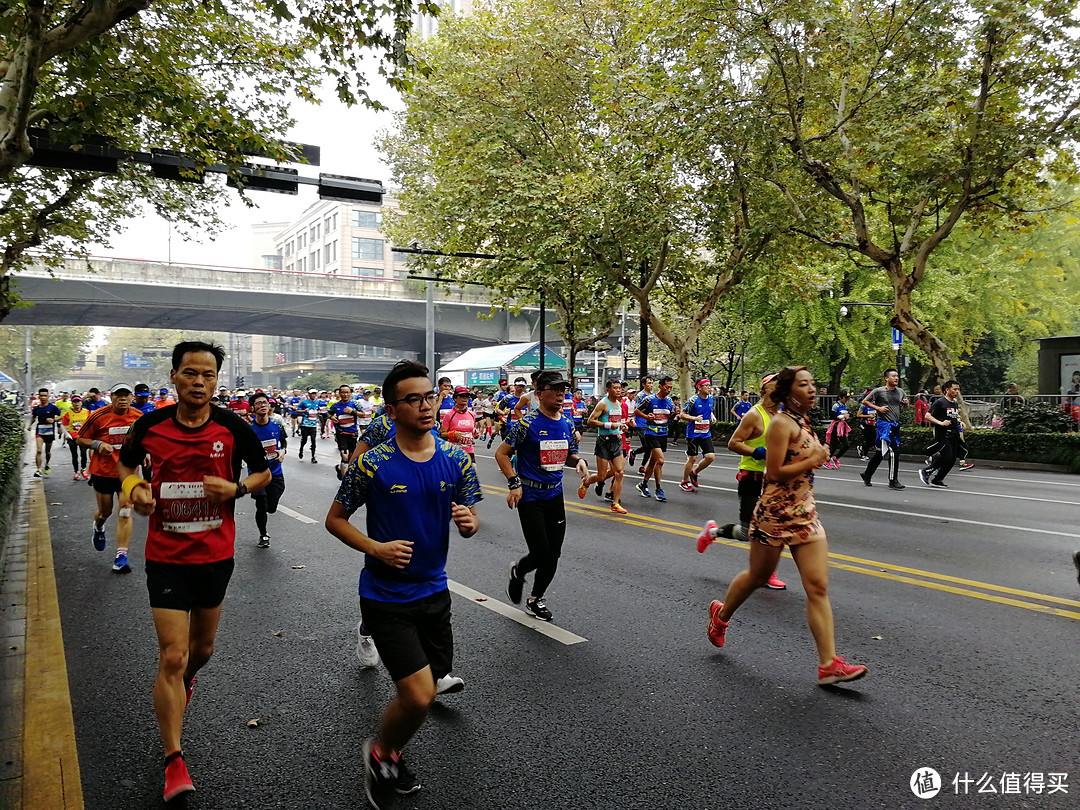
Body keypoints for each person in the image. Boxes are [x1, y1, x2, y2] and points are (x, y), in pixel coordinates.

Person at [117, 340, 271, 802]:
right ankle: (173, 760)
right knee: (173, 656)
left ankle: (184, 682)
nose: (199, 382)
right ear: (175, 376)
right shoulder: (150, 424)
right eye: (190, 373)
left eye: (207, 375)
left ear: (216, 381)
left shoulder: (233, 426)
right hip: (166, 556)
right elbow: (126, 462)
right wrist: (133, 487)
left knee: (201, 651)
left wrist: (237, 487)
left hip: (215, 556)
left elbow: (265, 472)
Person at [324, 360, 480, 810]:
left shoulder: (456, 458)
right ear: (391, 411)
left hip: (435, 595)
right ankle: (381, 754)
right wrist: (376, 548)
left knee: (423, 692)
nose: (425, 405)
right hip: (385, 597)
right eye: (412, 399)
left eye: (430, 396)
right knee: (417, 693)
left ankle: (392, 750)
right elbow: (335, 521)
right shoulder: (372, 463)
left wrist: (469, 522)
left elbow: (469, 519)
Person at [705, 366, 868, 686]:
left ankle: (829, 664)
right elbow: (776, 472)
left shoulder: (802, 421)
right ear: (788, 392)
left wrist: (814, 458)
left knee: (817, 587)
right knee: (758, 576)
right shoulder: (780, 423)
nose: (812, 390)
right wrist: (815, 458)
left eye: (813, 384)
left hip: (805, 515)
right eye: (803, 384)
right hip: (775, 514)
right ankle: (721, 616)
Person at [498, 369, 588, 622]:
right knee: (540, 552)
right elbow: (502, 454)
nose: (561, 395)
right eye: (555, 390)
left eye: (564, 390)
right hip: (530, 496)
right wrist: (513, 483)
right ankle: (519, 570)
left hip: (554, 495)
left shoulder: (567, 423)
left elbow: (568, 454)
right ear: (538, 394)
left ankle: (535, 599)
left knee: (554, 553)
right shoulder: (526, 424)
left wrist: (578, 461)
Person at [696, 373, 786, 591]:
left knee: (773, 527)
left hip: (774, 479)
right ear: (764, 390)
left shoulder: (783, 416)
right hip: (751, 476)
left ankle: (767, 573)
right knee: (747, 532)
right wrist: (756, 451)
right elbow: (733, 443)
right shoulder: (755, 415)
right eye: (775, 387)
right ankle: (712, 533)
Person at [77, 383, 143, 572]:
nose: (122, 398)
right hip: (103, 472)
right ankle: (99, 527)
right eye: (118, 395)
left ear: (132, 397)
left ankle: (121, 555)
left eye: (126, 395)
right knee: (105, 512)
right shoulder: (99, 416)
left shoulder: (138, 417)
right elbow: (80, 438)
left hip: (128, 472)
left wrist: (146, 453)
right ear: (111, 397)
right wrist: (98, 444)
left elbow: (146, 439)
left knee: (125, 510)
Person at [579, 379, 629, 514]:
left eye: (619, 388)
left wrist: (622, 427)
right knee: (601, 476)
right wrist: (608, 425)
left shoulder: (619, 404)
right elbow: (590, 421)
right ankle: (587, 481)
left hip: (616, 440)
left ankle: (615, 503)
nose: (619, 390)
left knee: (619, 472)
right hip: (604, 442)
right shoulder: (603, 404)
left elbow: (616, 422)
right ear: (608, 390)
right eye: (615, 388)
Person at [248, 392, 287, 547]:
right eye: (258, 403)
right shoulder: (248, 429)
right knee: (262, 505)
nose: (262, 405)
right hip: (258, 474)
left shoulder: (277, 425)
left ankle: (271, 507)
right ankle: (263, 535)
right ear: (253, 408)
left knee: (271, 507)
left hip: (276, 472)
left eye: (265, 402)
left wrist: (283, 451)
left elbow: (283, 443)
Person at [860, 369, 907, 490]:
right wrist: (878, 408)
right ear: (886, 378)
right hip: (884, 425)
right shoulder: (879, 391)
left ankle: (867, 474)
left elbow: (901, 409)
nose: (896, 378)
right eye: (893, 376)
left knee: (881, 452)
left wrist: (905, 404)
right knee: (894, 451)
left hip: (894, 424)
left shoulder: (901, 391)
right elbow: (865, 401)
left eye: (897, 376)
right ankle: (893, 480)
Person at [634, 376, 674, 502]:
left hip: (663, 434)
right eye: (667, 387)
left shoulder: (669, 401)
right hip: (651, 433)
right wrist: (647, 417)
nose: (669, 390)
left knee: (653, 461)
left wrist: (675, 414)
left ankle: (643, 484)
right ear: (660, 386)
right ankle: (658, 488)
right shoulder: (649, 399)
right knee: (660, 461)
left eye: (671, 387)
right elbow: (637, 411)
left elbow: (670, 417)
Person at [919, 380, 962, 488]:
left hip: (953, 433)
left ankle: (938, 479)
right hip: (942, 433)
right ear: (947, 390)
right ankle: (927, 471)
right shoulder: (940, 402)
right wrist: (941, 423)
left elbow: (954, 416)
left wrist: (960, 422)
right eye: (955, 389)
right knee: (947, 456)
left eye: (958, 389)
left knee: (952, 459)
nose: (957, 391)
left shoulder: (955, 402)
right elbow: (927, 416)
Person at [680, 379, 717, 491]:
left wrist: (711, 415)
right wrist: (694, 418)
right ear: (699, 387)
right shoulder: (692, 401)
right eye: (706, 386)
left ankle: (694, 472)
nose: (709, 388)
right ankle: (684, 481)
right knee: (693, 458)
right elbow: (682, 414)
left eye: (710, 385)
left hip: (705, 433)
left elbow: (708, 409)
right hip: (693, 434)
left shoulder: (710, 399)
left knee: (710, 457)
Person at [28, 388, 61, 477]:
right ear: (38, 396)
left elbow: (61, 416)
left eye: (45, 396)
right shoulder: (36, 408)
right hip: (40, 431)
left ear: (48, 396)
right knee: (39, 451)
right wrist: (29, 425)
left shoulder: (52, 407)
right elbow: (34, 417)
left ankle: (47, 464)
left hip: (50, 432)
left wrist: (53, 420)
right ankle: (38, 470)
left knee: (47, 451)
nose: (43, 397)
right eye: (41, 395)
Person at [440, 386, 478, 461]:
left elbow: (472, 432)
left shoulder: (472, 414)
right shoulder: (449, 415)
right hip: (454, 451)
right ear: (455, 398)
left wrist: (475, 435)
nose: (465, 399)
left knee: (472, 471)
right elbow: (442, 434)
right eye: (462, 396)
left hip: (469, 451)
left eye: (467, 397)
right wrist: (452, 434)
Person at [329, 384, 359, 479]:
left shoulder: (355, 404)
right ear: (339, 393)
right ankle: (346, 481)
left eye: (347, 392)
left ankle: (340, 469)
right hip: (341, 433)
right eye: (343, 392)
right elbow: (328, 413)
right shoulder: (335, 405)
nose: (345, 394)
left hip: (353, 433)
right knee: (344, 455)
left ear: (350, 393)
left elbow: (364, 414)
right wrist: (331, 417)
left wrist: (353, 412)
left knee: (351, 457)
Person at [628, 376, 654, 470]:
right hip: (641, 424)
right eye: (649, 383)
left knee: (649, 447)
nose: (651, 385)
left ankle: (642, 466)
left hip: (649, 424)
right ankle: (633, 453)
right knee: (647, 446)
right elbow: (637, 409)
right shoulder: (640, 396)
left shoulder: (652, 396)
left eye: (652, 383)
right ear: (644, 384)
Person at [62, 395, 91, 479]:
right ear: (72, 403)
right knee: (74, 455)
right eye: (75, 402)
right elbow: (63, 425)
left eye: (78, 402)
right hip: (72, 437)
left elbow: (91, 423)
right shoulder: (69, 414)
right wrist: (67, 434)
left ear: (81, 403)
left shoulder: (86, 412)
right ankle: (76, 471)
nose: (77, 404)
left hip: (83, 437)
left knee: (83, 454)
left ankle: (83, 469)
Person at [824, 391, 852, 469]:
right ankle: (827, 461)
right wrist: (842, 417)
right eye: (845, 398)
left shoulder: (844, 406)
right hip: (835, 426)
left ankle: (836, 458)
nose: (847, 399)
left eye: (847, 398)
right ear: (840, 398)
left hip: (842, 427)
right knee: (834, 445)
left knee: (846, 445)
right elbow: (832, 416)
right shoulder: (836, 405)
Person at [297, 388, 320, 462]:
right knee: (304, 440)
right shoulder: (304, 402)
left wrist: (319, 412)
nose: (314, 395)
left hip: (313, 425)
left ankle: (313, 457)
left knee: (313, 440)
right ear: (309, 394)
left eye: (315, 393)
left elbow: (321, 409)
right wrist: (304, 411)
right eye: (312, 393)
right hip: (305, 424)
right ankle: (301, 449)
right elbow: (297, 410)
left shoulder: (317, 402)